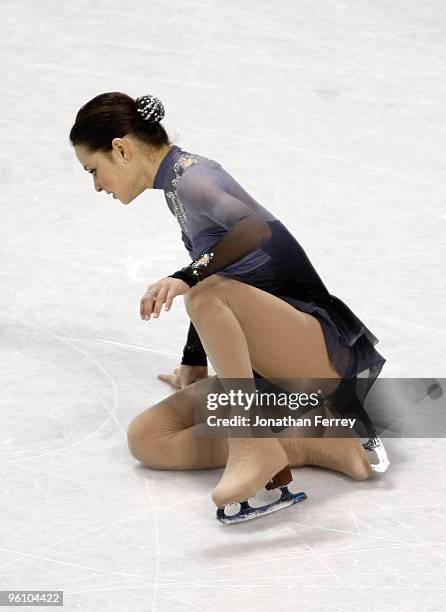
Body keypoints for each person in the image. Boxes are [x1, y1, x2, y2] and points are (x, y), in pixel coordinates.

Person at [70, 92, 389, 524]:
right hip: (273, 366)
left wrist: (185, 276)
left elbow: (251, 231)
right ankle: (312, 441)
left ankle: (252, 442)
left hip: (317, 353)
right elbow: (226, 275)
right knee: (147, 437)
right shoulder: (176, 188)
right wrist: (193, 363)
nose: (97, 186)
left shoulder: (193, 179)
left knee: (202, 291)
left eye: (94, 170)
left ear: (121, 149)